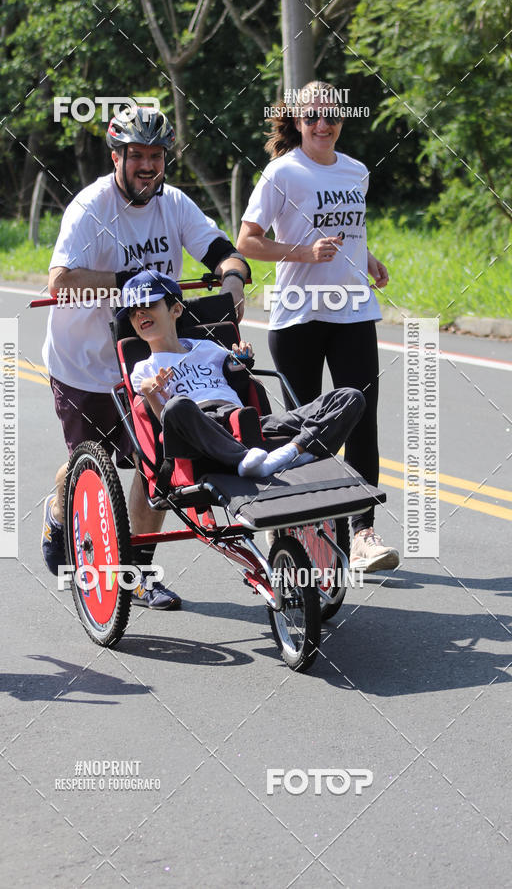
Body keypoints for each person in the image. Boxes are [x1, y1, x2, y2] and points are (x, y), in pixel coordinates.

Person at [41, 107, 250, 609]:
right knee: (87, 464)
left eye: (156, 156)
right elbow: (60, 282)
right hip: (85, 365)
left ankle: (138, 572)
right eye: (137, 155)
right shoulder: (91, 208)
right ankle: (58, 509)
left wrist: (233, 278)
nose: (148, 166)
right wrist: (132, 284)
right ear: (117, 157)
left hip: (149, 363)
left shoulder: (173, 204)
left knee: (153, 467)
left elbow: (225, 250)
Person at [237, 80, 399, 573]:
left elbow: (347, 228)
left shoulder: (356, 171)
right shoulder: (282, 173)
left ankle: (363, 534)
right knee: (308, 430)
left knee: (362, 418)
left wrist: (365, 257)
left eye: (331, 116)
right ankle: (298, 529)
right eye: (312, 118)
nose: (322, 125)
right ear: (298, 122)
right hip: (298, 316)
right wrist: (303, 253)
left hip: (351, 311)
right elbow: (247, 241)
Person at [120, 271, 365, 479]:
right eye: (132, 312)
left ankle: (293, 450)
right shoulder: (144, 369)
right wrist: (152, 392)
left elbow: (236, 375)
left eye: (148, 305)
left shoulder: (206, 348)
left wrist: (241, 361)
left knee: (350, 397)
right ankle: (246, 459)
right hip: (201, 430)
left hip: (244, 422)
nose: (139, 314)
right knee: (176, 406)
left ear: (176, 309)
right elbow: (165, 418)